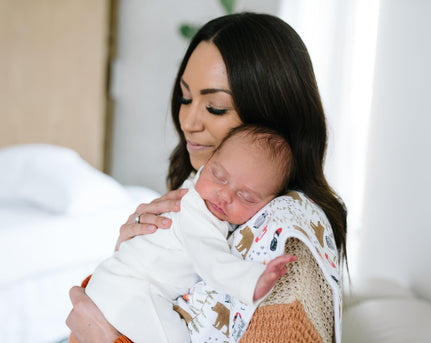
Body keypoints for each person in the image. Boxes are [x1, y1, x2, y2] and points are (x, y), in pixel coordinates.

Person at [67, 12, 347, 343]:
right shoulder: (204, 190)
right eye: (185, 97)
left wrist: (107, 336)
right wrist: (132, 254)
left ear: (268, 117)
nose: (188, 120)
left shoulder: (290, 246)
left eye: (214, 107)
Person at [77, 125, 297, 343]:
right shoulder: (198, 211)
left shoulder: (202, 188)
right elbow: (210, 261)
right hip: (131, 289)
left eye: (246, 197)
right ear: (208, 163)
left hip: (120, 284)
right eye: (219, 177)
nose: (224, 195)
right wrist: (253, 280)